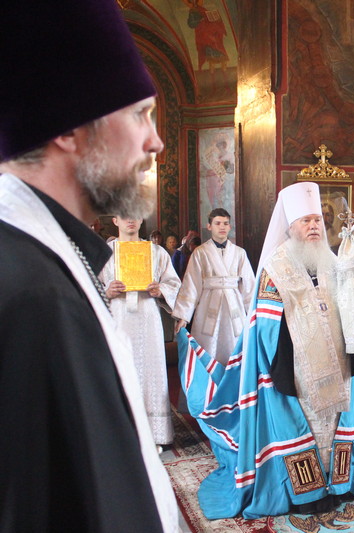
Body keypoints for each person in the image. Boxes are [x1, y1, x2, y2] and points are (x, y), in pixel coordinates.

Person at [0, 1, 179, 530]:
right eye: (139, 113)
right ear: (68, 129)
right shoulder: (35, 296)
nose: (155, 141)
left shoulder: (48, 254)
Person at [176, 181, 354, 518]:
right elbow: (267, 322)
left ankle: (337, 485)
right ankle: (307, 493)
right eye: (306, 221)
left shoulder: (333, 261)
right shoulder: (276, 266)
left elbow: (352, 306)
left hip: (338, 365)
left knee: (334, 426)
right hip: (295, 366)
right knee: (300, 426)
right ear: (290, 227)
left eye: (317, 220)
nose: (314, 227)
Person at [100, 217, 181, 446]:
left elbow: (174, 284)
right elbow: (87, 286)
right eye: (124, 214)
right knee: (118, 371)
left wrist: (161, 290)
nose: (130, 220)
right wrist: (106, 291)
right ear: (115, 219)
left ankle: (156, 434)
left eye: (135, 214)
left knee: (151, 371)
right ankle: (118, 433)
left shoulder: (156, 252)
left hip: (147, 317)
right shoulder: (103, 252)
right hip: (117, 316)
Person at [173, 208, 255, 364]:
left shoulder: (239, 253)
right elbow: (192, 284)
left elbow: (249, 285)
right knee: (208, 348)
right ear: (209, 226)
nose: (222, 227)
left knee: (236, 346)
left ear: (230, 227)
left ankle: (235, 386)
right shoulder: (200, 252)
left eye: (226, 223)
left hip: (235, 307)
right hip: (207, 306)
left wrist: (252, 312)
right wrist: (184, 316)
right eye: (217, 223)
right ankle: (209, 386)